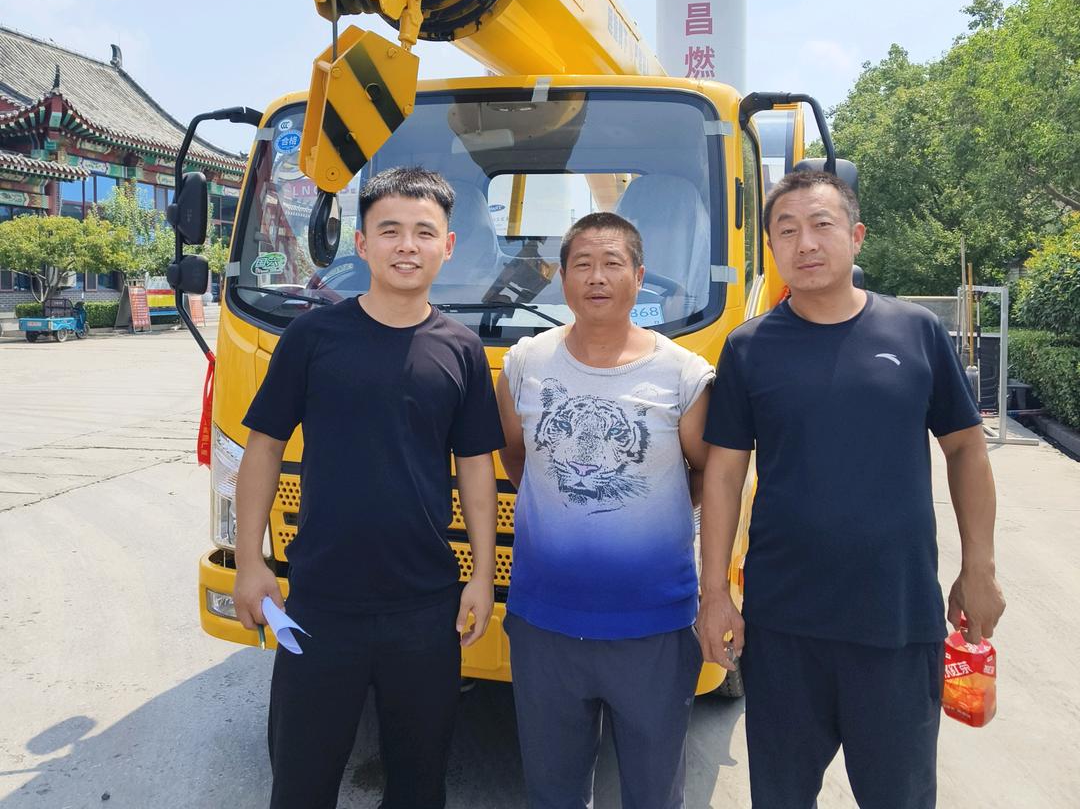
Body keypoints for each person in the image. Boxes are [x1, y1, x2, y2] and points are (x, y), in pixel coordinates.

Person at [697, 170, 1006, 809]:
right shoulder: (749, 349)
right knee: (780, 796)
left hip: (896, 622)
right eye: (786, 231)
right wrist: (714, 596)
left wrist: (980, 568)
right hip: (784, 627)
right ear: (772, 249)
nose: (805, 242)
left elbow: (966, 448)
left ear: (856, 236)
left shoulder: (914, 332)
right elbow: (724, 473)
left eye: (821, 225)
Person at [232, 166, 502, 809]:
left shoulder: (461, 350)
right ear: (361, 244)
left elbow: (474, 467)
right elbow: (264, 449)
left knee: (418, 782)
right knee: (301, 779)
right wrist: (250, 561)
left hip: (425, 609)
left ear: (448, 246)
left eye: (423, 232)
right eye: (390, 231)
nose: (406, 245)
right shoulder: (312, 337)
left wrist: (483, 573)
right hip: (320, 604)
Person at [497, 211, 713, 809]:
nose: (597, 277)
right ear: (562, 279)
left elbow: (704, 476)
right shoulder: (522, 366)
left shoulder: (684, 375)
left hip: (653, 625)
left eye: (612, 263)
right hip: (544, 622)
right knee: (553, 792)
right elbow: (520, 462)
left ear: (639, 277)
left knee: (653, 792)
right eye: (583, 264)